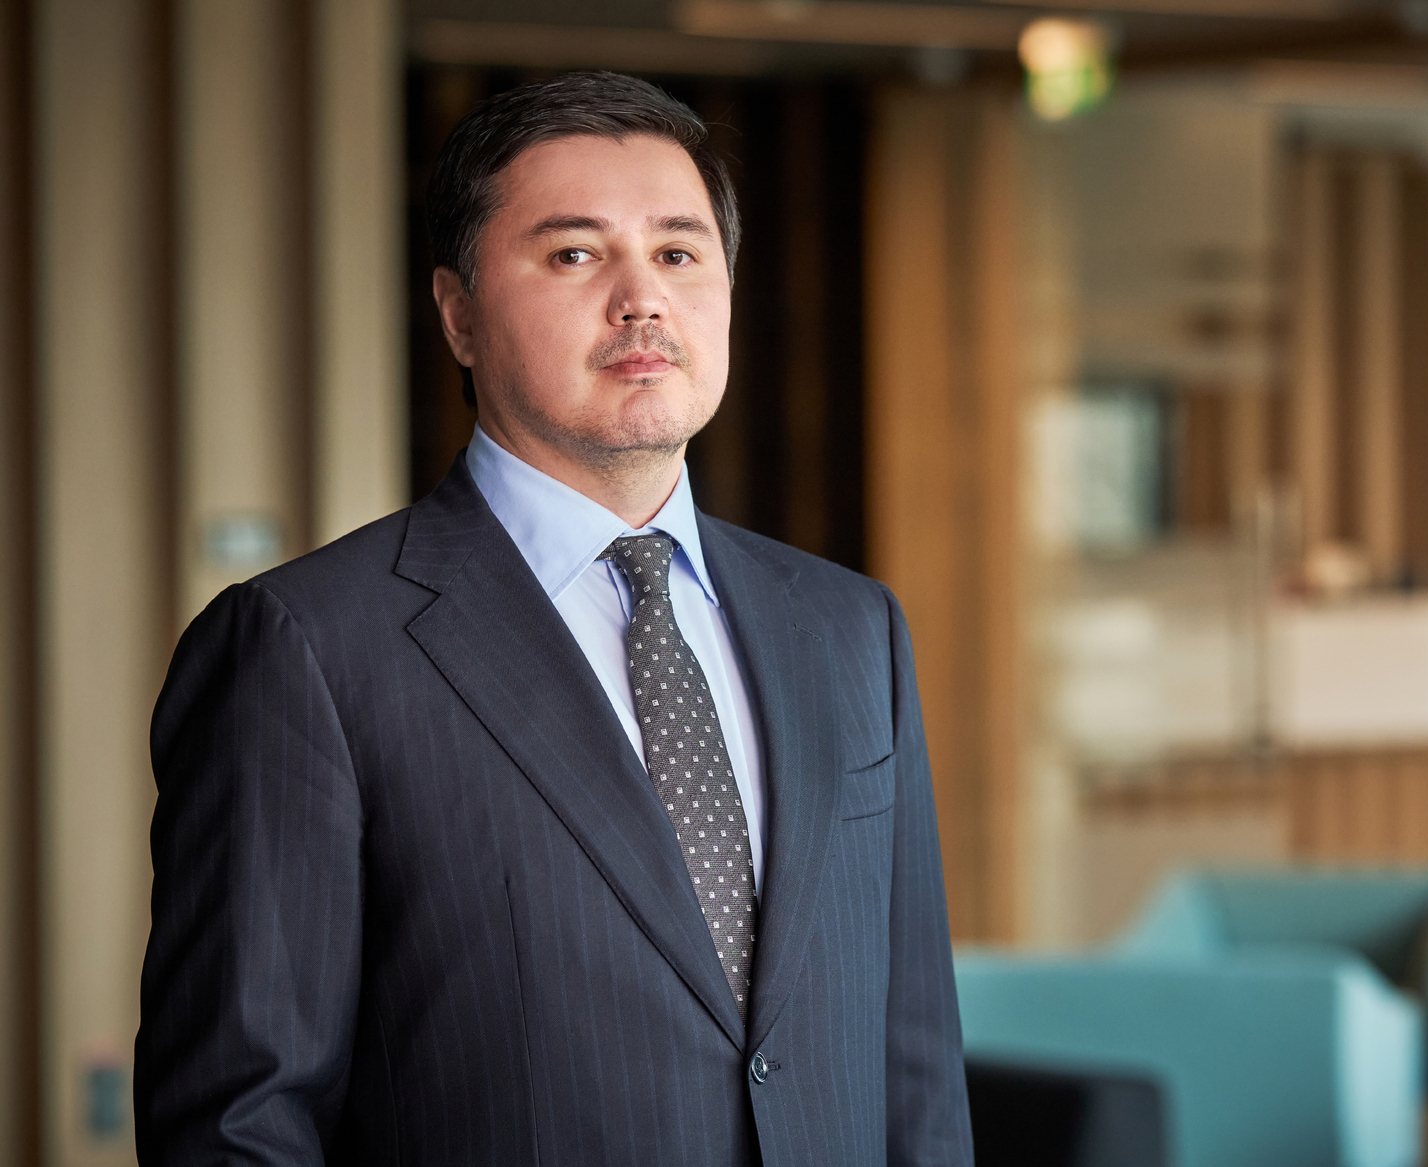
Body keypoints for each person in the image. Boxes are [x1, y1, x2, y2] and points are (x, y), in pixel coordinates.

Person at [136, 71, 973, 1167]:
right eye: (576, 254)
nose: (642, 299)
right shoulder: (306, 648)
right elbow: (237, 1125)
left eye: (678, 253)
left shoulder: (852, 627)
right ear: (458, 315)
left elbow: (915, 1072)